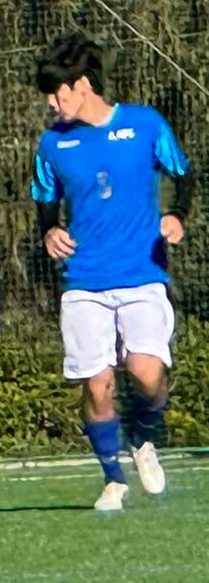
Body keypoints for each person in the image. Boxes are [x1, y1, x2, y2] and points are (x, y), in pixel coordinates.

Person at [31, 32, 194, 511]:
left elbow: (183, 174)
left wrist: (177, 215)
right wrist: (49, 230)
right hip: (84, 282)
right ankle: (113, 478)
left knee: (147, 373)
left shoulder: (144, 124)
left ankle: (144, 434)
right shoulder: (52, 144)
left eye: (57, 92)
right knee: (97, 385)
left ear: (83, 85)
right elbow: (45, 199)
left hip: (142, 273)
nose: (51, 102)